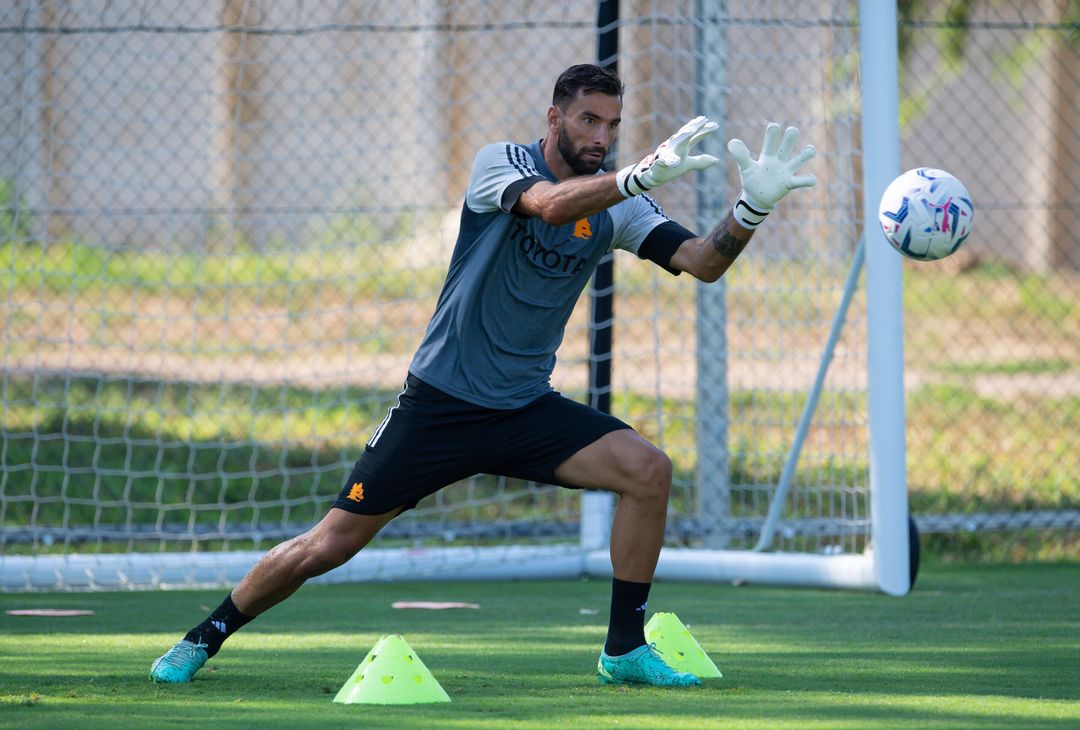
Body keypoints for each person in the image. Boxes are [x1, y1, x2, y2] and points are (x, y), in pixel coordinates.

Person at [149, 63, 816, 688]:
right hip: (440, 403)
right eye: (588, 121)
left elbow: (702, 262)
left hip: (524, 408)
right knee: (331, 543)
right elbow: (551, 206)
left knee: (648, 471)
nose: (600, 137)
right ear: (554, 118)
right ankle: (204, 636)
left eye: (612, 126)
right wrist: (636, 176)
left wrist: (750, 209)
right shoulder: (503, 163)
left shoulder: (620, 203)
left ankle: (624, 649)